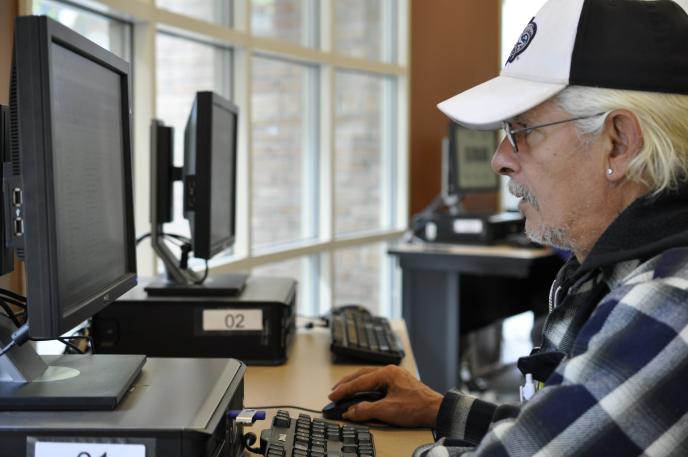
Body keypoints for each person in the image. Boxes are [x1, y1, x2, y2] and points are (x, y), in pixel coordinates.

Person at [328, 0, 688, 455]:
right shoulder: (620, 270)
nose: (500, 158)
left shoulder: (669, 307)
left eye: (522, 130)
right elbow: (571, 428)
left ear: (618, 143)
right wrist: (440, 410)